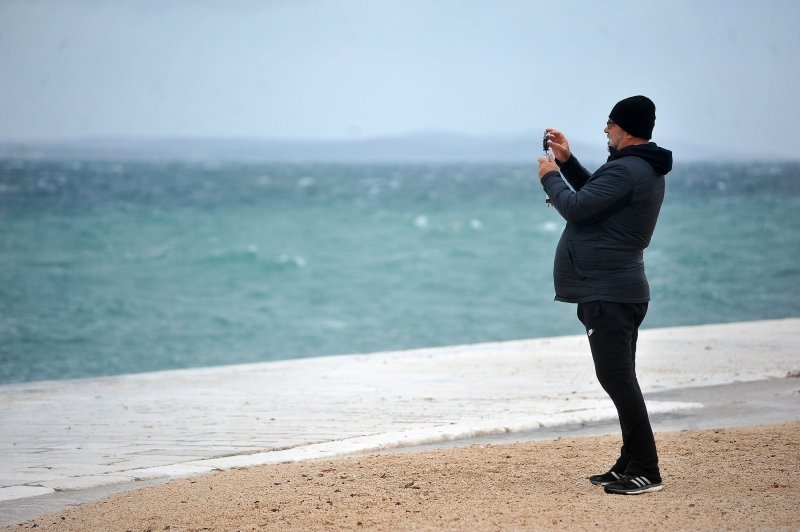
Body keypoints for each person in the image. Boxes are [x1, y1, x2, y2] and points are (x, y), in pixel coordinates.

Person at [536, 95, 673, 495]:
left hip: (610, 292)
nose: (605, 129)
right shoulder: (634, 167)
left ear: (626, 129)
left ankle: (646, 468)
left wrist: (548, 176)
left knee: (616, 378)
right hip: (613, 290)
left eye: (610, 124)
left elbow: (577, 208)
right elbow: (597, 198)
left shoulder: (629, 169)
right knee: (619, 377)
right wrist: (567, 162)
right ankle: (630, 461)